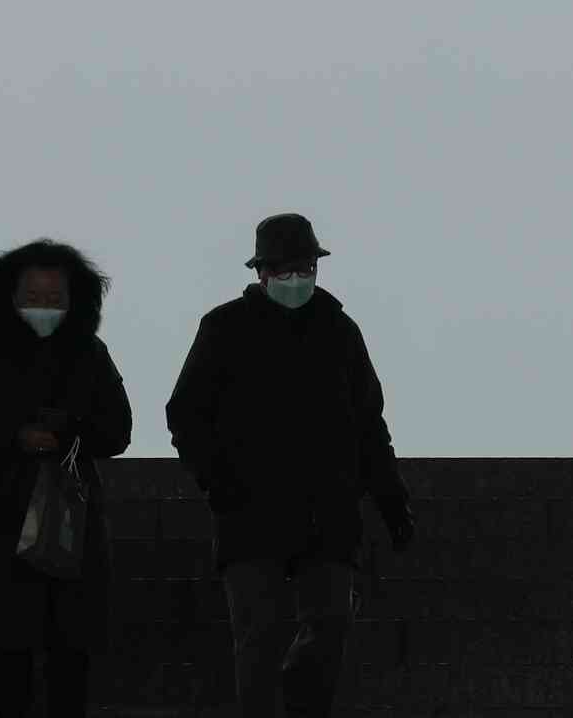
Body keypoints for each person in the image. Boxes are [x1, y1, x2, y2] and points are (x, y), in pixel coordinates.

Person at [166, 212, 415, 718]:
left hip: (328, 510)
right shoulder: (224, 329)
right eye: (283, 270)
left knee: (329, 623)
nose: (295, 280)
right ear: (260, 273)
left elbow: (370, 426)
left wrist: (393, 503)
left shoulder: (340, 332)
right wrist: (220, 483)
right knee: (257, 637)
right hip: (248, 511)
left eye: (303, 268)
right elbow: (185, 413)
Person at [0, 239, 133, 718]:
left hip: (69, 517)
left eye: (55, 298)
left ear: (74, 300)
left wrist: (66, 432)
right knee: (7, 654)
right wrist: (13, 436)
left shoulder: (90, 353)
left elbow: (118, 429)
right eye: (33, 297)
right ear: (8, 297)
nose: (44, 308)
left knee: (71, 653)